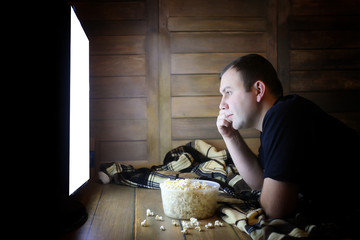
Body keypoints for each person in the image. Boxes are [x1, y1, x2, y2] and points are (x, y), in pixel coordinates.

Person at [216, 54, 359, 233]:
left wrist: (270, 196)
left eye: (228, 92)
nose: (222, 104)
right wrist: (230, 136)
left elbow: (276, 208)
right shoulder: (274, 119)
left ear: (258, 90)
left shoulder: (285, 115)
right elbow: (259, 182)